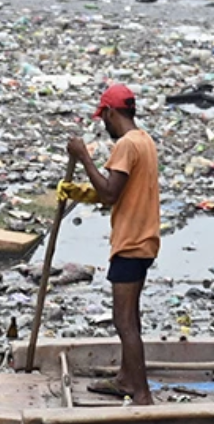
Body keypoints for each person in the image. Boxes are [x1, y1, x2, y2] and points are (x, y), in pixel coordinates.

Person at [66, 83, 160, 404]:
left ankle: (142, 393)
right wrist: (82, 192)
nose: (103, 124)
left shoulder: (126, 145)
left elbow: (109, 193)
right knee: (131, 316)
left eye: (103, 117)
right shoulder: (144, 141)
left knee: (123, 320)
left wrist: (83, 158)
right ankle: (125, 378)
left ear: (109, 112)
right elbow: (120, 192)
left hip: (131, 242)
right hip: (144, 239)